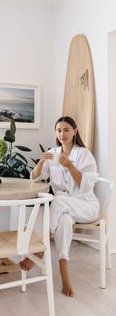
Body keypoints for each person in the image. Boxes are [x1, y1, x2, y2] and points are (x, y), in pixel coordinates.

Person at [20, 116, 99, 297]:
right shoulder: (53, 153)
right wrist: (40, 162)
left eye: (66, 130)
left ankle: (40, 248)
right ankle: (64, 272)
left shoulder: (84, 154)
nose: (62, 134)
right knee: (63, 221)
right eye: (58, 130)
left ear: (75, 131)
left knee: (58, 201)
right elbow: (35, 178)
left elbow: (86, 186)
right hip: (64, 208)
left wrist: (70, 166)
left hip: (85, 205)